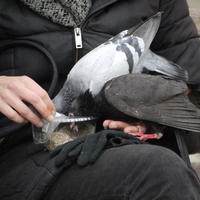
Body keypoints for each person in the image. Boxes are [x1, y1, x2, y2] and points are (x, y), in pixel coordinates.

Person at [0, 0, 200, 199]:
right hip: (28, 158)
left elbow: (191, 101)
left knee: (162, 170)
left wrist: (153, 121)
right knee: (158, 171)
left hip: (132, 149)